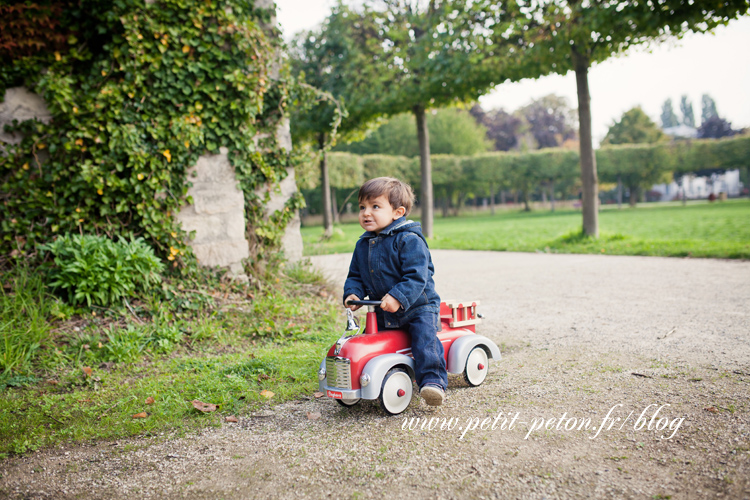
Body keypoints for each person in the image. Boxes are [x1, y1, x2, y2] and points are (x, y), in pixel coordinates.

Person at [343, 177, 448, 406]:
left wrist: (398, 297)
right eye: (362, 207)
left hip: (417, 307)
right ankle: (372, 379)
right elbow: (356, 275)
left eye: (375, 207)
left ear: (398, 212)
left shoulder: (409, 239)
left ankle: (433, 381)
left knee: (424, 340)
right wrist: (353, 294)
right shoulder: (363, 245)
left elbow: (417, 275)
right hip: (383, 310)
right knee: (373, 343)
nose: (366, 213)